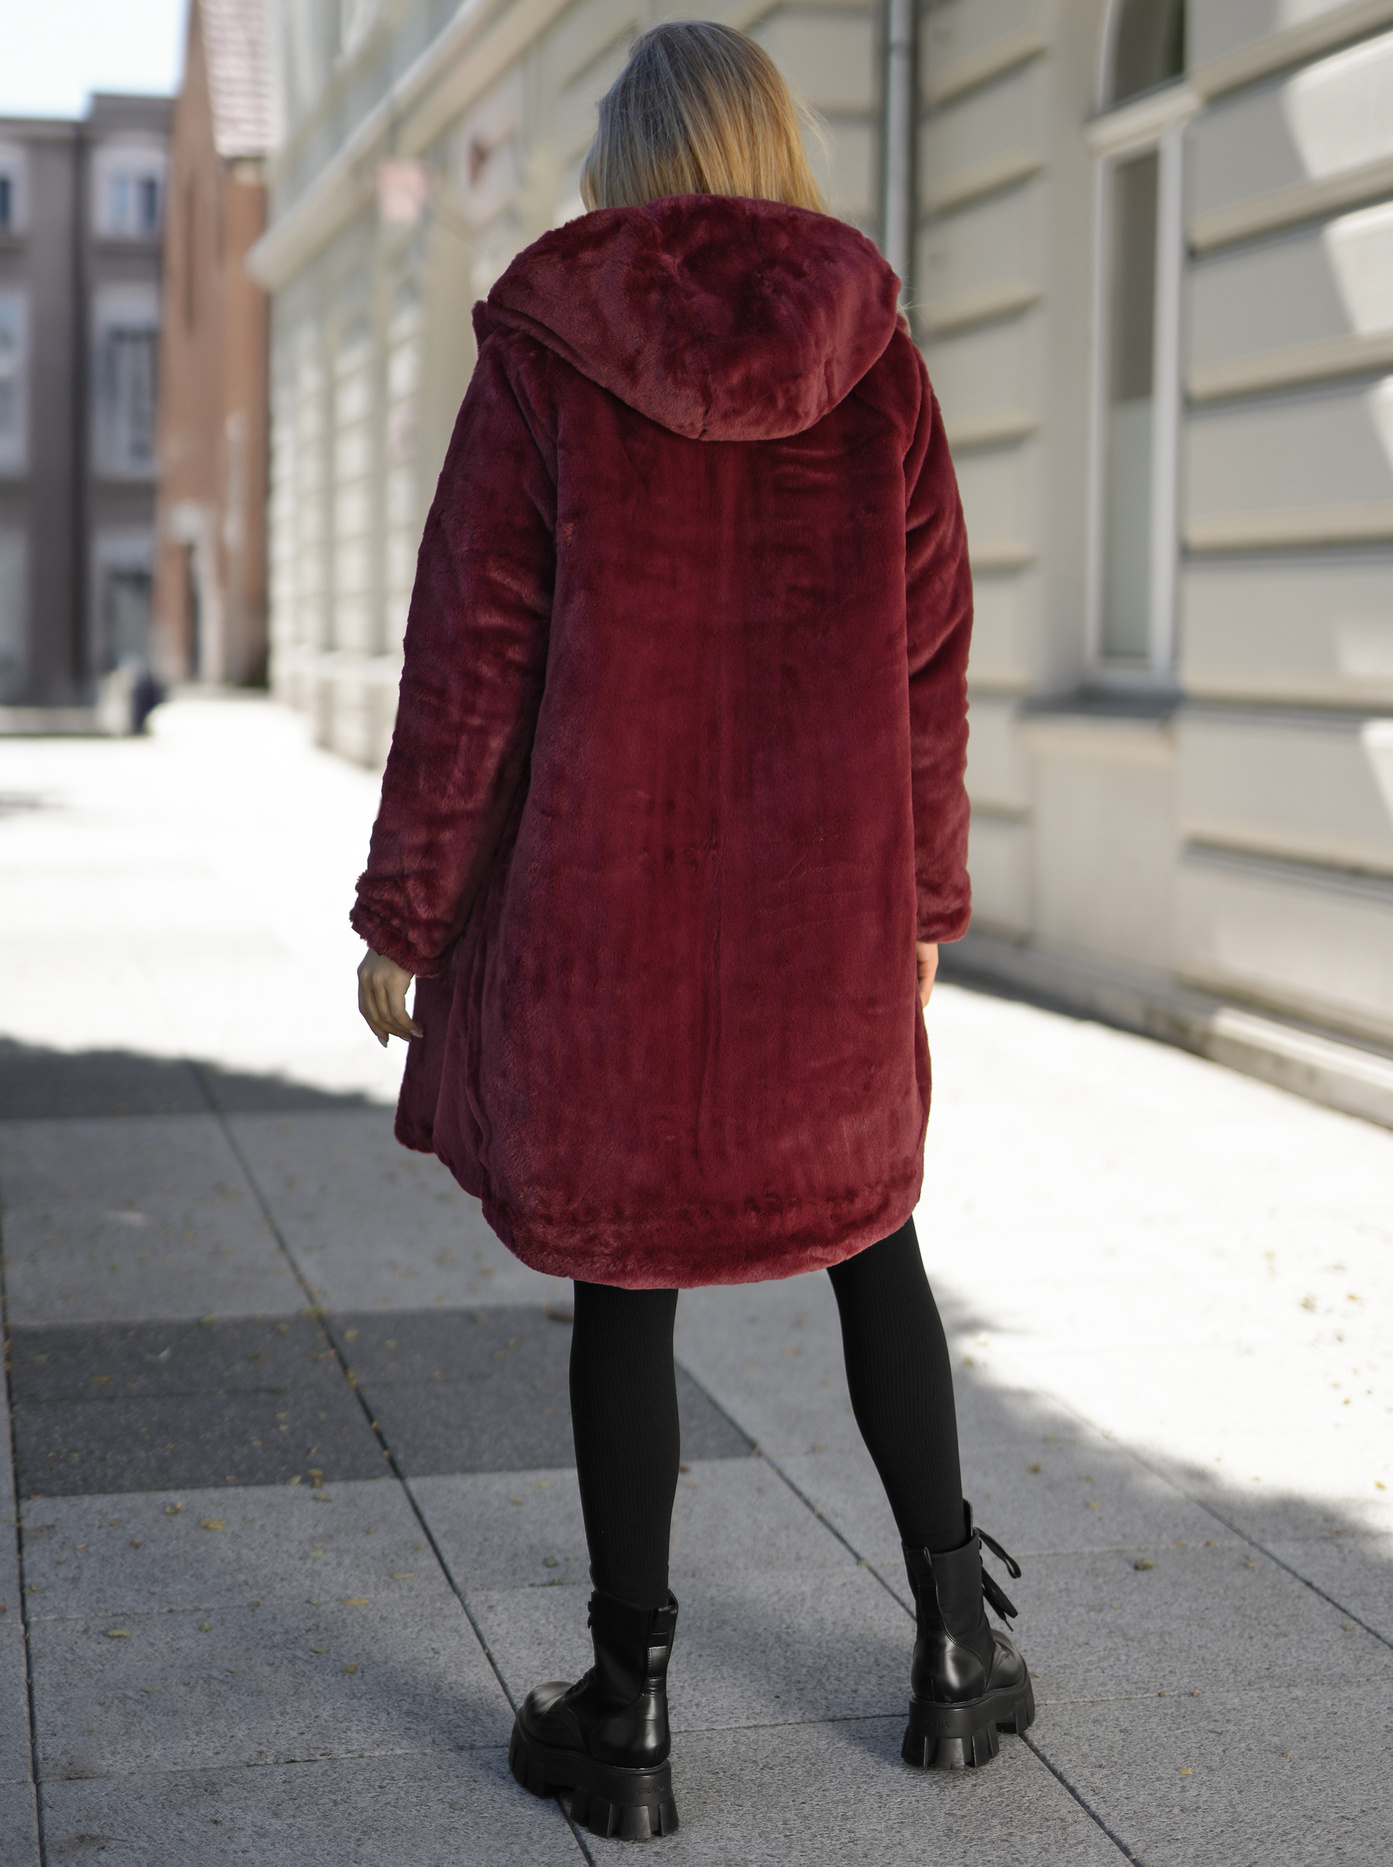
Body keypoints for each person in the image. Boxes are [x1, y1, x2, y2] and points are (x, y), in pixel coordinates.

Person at [352, 19, 1032, 1842]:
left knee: (622, 1284)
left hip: (611, 932)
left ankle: (631, 1711)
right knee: (875, 1243)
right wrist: (927, 905)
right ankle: (956, 1644)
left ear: (625, 161)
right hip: (825, 929)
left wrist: (407, 910)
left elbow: (469, 660)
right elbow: (932, 671)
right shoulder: (879, 360)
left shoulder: (546, 354)